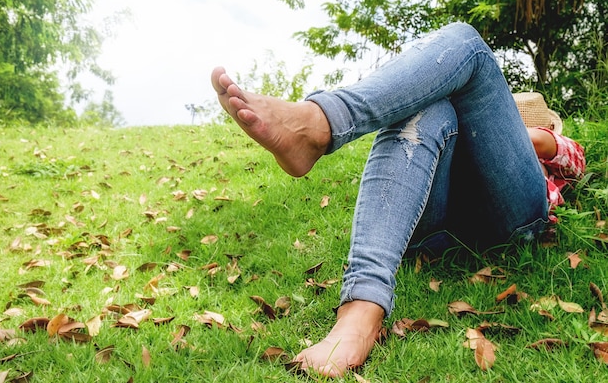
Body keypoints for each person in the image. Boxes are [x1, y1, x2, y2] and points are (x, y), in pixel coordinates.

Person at [210, 22, 586, 377]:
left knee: (466, 41)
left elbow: (575, 160)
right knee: (424, 108)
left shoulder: (537, 140)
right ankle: (363, 305)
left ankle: (320, 123)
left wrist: (515, 133)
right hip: (438, 227)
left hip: (512, 216)